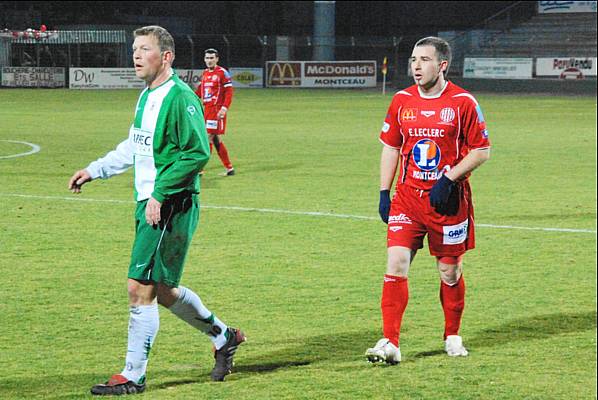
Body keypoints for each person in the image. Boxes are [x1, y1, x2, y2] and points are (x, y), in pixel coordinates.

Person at [68, 26, 245, 395]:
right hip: (150, 202)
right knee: (162, 290)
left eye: (144, 49)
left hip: (169, 205)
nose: (135, 55)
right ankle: (223, 336)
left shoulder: (180, 98)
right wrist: (95, 169)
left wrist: (160, 194)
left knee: (139, 287)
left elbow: (196, 152)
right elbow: (136, 146)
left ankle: (133, 375)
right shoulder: (148, 95)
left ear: (166, 56)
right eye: (135, 48)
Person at [365, 36, 491, 365]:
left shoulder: (463, 102)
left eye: (424, 60)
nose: (416, 66)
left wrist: (449, 179)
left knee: (449, 272)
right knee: (395, 264)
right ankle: (390, 342)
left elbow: (482, 150)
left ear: (442, 65)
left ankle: (452, 335)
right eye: (413, 60)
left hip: (448, 201)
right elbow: (391, 146)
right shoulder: (401, 100)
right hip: (408, 198)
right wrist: (383, 191)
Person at [195, 48, 235, 176]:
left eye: (212, 58)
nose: (209, 60)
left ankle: (200, 169)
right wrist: (191, 98)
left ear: (217, 59)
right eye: (207, 58)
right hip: (207, 110)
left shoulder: (223, 73)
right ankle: (229, 168)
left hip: (217, 110)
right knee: (215, 140)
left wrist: (224, 108)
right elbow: (200, 91)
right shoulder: (205, 73)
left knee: (207, 138)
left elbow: (229, 92)